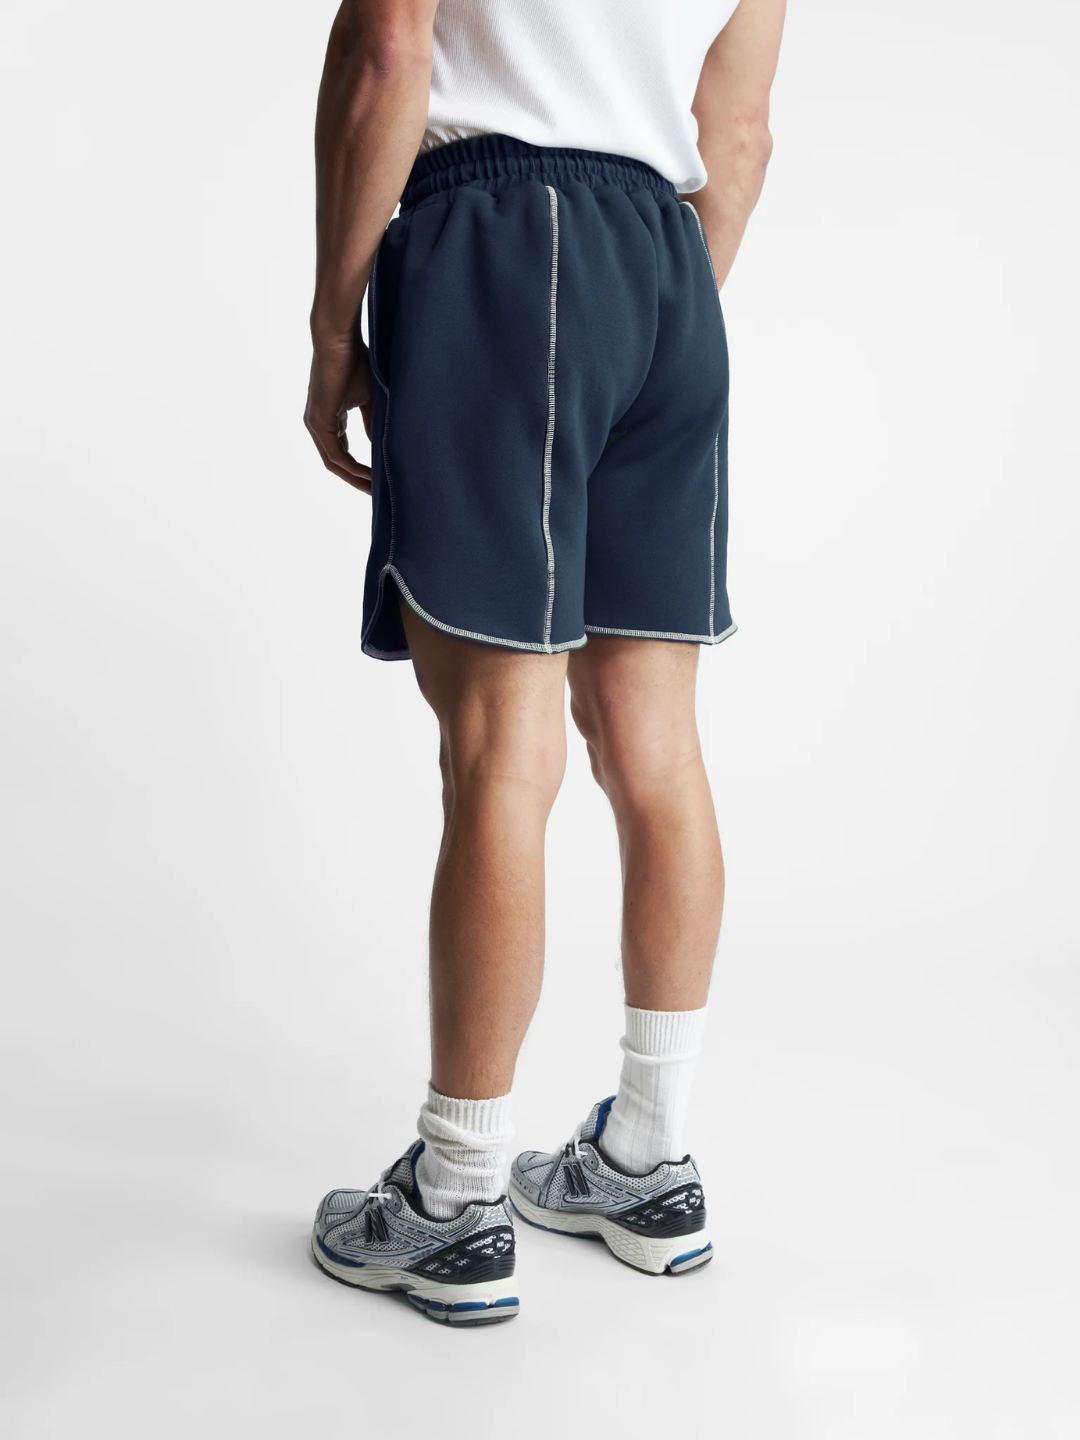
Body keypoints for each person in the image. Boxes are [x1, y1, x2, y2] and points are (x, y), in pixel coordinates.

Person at [304, 0, 785, 1325]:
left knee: (498, 746)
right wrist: (651, 316)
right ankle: (647, 1157)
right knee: (655, 743)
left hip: (499, 237)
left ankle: (456, 1200)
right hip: (668, 264)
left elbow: (388, 54)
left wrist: (333, 322)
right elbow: (736, 132)